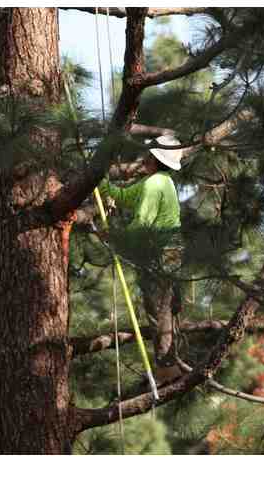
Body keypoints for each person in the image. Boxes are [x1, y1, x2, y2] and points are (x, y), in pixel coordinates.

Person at [98, 135, 184, 385]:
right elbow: (122, 196)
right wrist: (99, 180)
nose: (144, 158)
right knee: (168, 306)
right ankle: (173, 359)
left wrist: (115, 237)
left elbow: (141, 226)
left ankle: (167, 368)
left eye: (149, 154)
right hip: (171, 249)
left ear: (155, 159)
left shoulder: (153, 185)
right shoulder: (159, 182)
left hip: (160, 252)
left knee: (158, 308)